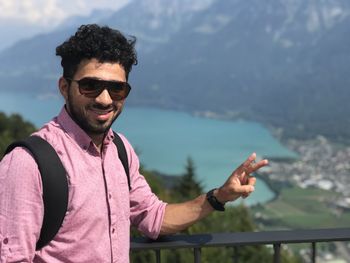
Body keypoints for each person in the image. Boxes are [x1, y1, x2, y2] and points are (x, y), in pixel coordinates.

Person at [0, 24, 268, 263]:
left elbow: (153, 217)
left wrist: (219, 197)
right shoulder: (28, 163)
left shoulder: (120, 150)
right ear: (64, 87)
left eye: (117, 89)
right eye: (90, 86)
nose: (105, 99)